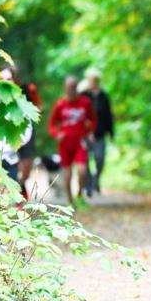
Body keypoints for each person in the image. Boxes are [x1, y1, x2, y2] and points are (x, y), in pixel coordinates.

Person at [49, 75, 96, 208]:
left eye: (74, 87)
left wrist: (91, 132)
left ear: (77, 87)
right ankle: (70, 200)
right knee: (67, 174)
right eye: (69, 87)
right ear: (65, 88)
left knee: (82, 171)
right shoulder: (60, 104)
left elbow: (93, 119)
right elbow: (52, 124)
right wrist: (56, 134)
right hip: (65, 144)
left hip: (80, 142)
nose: (72, 90)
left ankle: (80, 195)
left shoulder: (85, 102)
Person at [0, 64, 41, 199]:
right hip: (8, 133)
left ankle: (20, 188)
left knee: (26, 170)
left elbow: (38, 107)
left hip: (25, 130)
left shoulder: (29, 89)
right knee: (10, 166)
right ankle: (16, 198)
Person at [82, 67, 115, 197]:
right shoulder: (84, 96)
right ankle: (89, 185)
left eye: (94, 80)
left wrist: (111, 132)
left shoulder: (104, 96)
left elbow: (109, 116)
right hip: (85, 134)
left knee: (100, 159)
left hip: (100, 134)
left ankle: (95, 180)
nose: (92, 82)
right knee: (84, 161)